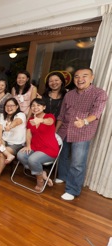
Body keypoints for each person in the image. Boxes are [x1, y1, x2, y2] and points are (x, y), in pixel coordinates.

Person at [56, 68, 107, 201]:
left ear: (92, 78)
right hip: (65, 129)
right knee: (63, 155)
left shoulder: (99, 93)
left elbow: (96, 113)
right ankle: (62, 176)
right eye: (77, 76)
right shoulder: (69, 94)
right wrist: (56, 131)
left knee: (77, 162)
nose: (80, 79)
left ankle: (72, 190)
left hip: (82, 131)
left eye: (84, 76)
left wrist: (84, 122)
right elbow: (61, 115)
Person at [17, 98, 59, 191]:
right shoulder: (31, 119)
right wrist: (28, 145)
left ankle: (40, 181)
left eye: (38, 105)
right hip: (35, 147)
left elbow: (50, 122)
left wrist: (41, 120)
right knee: (21, 155)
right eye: (33, 105)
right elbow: (28, 133)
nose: (35, 107)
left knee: (33, 159)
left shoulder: (49, 116)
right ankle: (41, 173)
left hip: (49, 148)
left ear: (44, 107)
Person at [0, 98, 26, 183]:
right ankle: (8, 155)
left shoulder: (21, 115)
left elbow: (17, 121)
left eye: (12, 105)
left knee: (1, 154)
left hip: (16, 143)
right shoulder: (3, 116)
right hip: (4, 140)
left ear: (17, 106)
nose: (9, 108)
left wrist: (10, 126)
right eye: (7, 106)